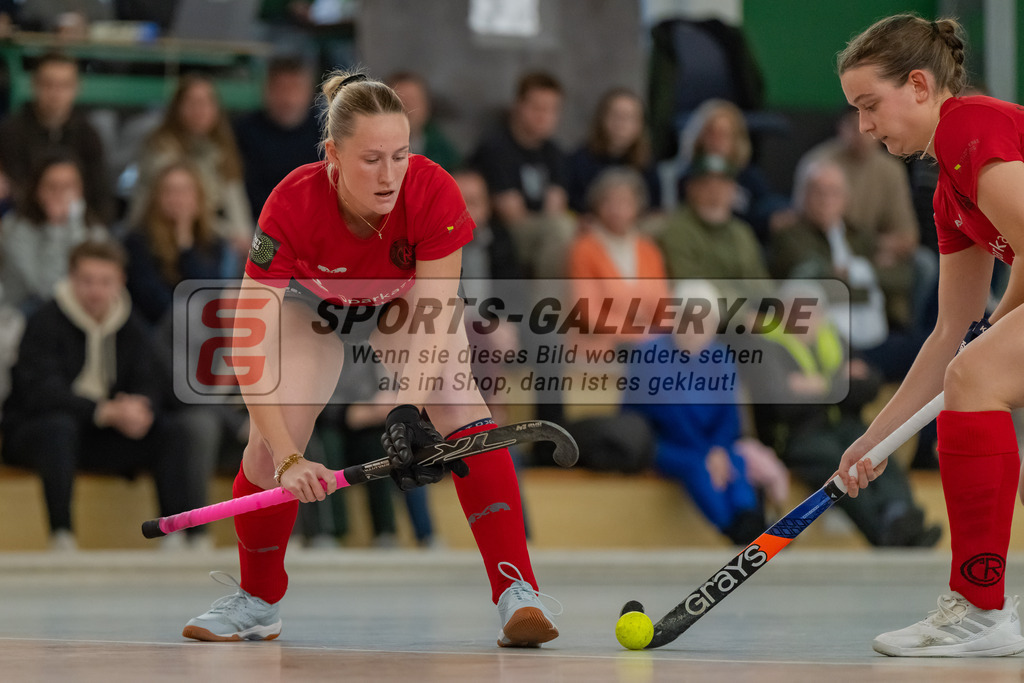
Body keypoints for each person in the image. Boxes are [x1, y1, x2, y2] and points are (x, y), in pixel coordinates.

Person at [182, 70, 561, 648]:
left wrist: (407, 408)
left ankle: (518, 591)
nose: (389, 175)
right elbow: (245, 343)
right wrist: (288, 460)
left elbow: (436, 317)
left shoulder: (433, 191)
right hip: (312, 306)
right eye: (371, 159)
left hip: (399, 301)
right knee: (266, 443)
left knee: (460, 402)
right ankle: (258, 601)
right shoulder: (290, 202)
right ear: (332, 154)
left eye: (400, 155)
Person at [836, 14, 1024, 657]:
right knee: (971, 371)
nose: (863, 125)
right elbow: (950, 331)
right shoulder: (949, 192)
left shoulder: (968, 126)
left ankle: (979, 608)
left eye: (869, 105)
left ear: (919, 84)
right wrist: (877, 436)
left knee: (976, 377)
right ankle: (983, 605)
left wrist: (996, 335)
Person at [0, 240, 204, 551]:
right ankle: (62, 536)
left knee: (172, 431)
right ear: (71, 278)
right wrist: (102, 410)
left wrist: (140, 407)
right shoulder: (44, 320)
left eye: (105, 282)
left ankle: (176, 535)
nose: (95, 291)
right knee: (59, 428)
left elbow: (150, 378)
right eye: (87, 281)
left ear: (120, 281)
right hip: (38, 434)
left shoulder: (130, 323)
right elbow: (40, 392)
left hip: (102, 435)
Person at [623, 280, 788, 545]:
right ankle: (734, 529)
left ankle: (750, 518)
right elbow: (669, 414)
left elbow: (729, 416)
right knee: (697, 466)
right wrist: (708, 452)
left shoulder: (721, 358)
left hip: (711, 445)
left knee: (737, 460)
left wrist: (719, 449)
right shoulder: (650, 354)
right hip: (662, 443)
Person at [129, 74, 253, 256]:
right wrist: (231, 236)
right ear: (177, 108)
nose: (200, 110)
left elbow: (235, 198)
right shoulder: (161, 149)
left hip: (210, 233)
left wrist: (244, 236)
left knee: (269, 250)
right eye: (192, 102)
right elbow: (181, 208)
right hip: (163, 233)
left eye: (206, 102)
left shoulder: (222, 147)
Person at [468, 70, 573, 278]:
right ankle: (548, 310)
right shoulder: (496, 149)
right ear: (518, 106)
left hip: (542, 232)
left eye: (552, 110)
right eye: (537, 108)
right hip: (501, 236)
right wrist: (549, 220)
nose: (544, 117)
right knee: (560, 230)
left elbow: (556, 206)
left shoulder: (555, 153)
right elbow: (512, 216)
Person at [0, 52, 114, 222]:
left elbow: (100, 195)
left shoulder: (88, 134)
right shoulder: (11, 131)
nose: (55, 93)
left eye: (64, 85)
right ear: (34, 85)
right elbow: (12, 186)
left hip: (77, 226)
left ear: (77, 88)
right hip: (24, 222)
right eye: (48, 84)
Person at [123, 161, 229, 326]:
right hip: (159, 329)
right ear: (157, 197)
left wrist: (185, 243)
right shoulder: (138, 242)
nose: (177, 199)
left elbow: (205, 291)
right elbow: (152, 300)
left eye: (184, 191)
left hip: (199, 328)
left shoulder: (213, 242)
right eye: (170, 191)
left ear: (198, 198)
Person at [0, 152, 108, 315]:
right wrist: (57, 228)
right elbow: (46, 290)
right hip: (22, 314)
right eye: (52, 187)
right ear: (37, 190)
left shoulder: (94, 232)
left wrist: (73, 225)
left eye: (68, 187)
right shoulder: (15, 229)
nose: (61, 195)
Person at [674, 98, 792, 241]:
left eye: (724, 135)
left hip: (740, 240)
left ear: (736, 139)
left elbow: (765, 210)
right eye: (711, 133)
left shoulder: (750, 178)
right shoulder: (688, 175)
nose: (716, 141)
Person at [233, 56, 322, 219]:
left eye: (295, 89)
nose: (288, 99)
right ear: (266, 91)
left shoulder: (328, 130)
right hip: (260, 225)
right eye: (280, 89)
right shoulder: (244, 131)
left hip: (315, 223)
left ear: (309, 92)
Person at [656, 152, 768, 280]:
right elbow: (687, 281)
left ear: (733, 190)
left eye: (722, 184)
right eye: (706, 184)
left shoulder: (742, 232)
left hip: (744, 298)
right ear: (691, 189)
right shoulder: (676, 229)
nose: (715, 192)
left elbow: (760, 281)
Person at [565, 87, 660, 214]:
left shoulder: (646, 162)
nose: (621, 124)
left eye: (629, 118)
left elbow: (654, 207)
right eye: (616, 116)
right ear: (602, 119)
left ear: (640, 124)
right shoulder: (579, 160)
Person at [387, 71, 461, 173]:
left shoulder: (444, 152)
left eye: (413, 101)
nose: (408, 108)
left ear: (427, 107)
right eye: (401, 101)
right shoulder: (370, 148)